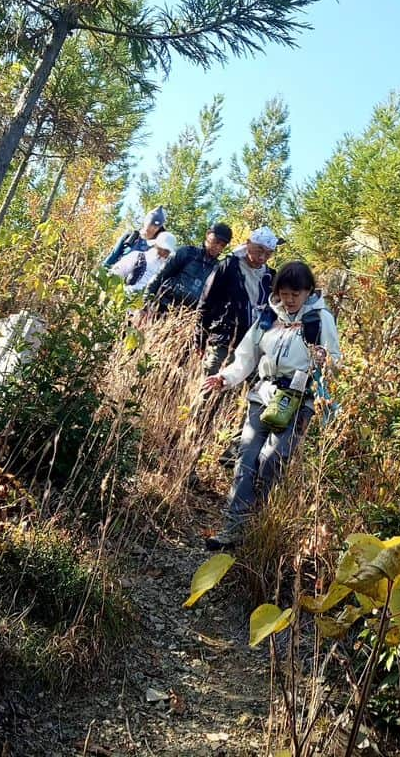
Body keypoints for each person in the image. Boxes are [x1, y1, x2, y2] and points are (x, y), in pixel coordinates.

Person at [200, 261, 340, 549]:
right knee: (246, 458)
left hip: (299, 400)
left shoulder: (320, 318)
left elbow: (336, 360)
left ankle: (257, 521)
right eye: (284, 293)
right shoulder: (268, 316)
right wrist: (224, 378)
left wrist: (327, 360)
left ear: (308, 292)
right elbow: (246, 356)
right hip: (264, 394)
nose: (288, 300)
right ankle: (233, 529)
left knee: (272, 460)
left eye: (295, 295)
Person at [196, 226, 277, 374]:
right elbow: (206, 302)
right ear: (248, 244)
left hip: (253, 347)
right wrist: (200, 339)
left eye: (268, 253)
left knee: (240, 393)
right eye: (259, 250)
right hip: (224, 341)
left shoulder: (270, 277)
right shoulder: (229, 267)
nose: (262, 258)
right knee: (210, 388)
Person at [144, 222, 233, 314]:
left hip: (185, 319)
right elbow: (159, 277)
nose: (218, 247)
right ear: (207, 235)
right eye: (216, 241)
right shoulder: (186, 253)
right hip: (161, 307)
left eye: (223, 245)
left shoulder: (218, 269)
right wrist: (144, 306)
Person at [102, 206, 167, 294]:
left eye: (155, 227)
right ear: (145, 222)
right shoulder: (130, 237)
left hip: (136, 292)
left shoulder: (159, 247)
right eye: (150, 225)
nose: (151, 229)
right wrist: (101, 276)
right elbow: (113, 256)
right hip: (115, 282)